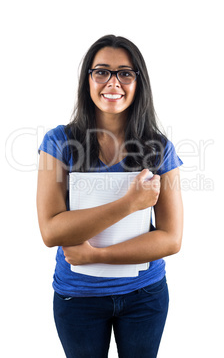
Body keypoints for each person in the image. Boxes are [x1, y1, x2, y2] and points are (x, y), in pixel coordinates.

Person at [36, 34, 184, 358]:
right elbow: (51, 231)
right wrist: (129, 204)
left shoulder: (159, 148)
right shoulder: (59, 142)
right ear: (87, 79)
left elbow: (171, 239)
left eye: (125, 73)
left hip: (145, 297)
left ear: (138, 82)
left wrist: (95, 256)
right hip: (78, 299)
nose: (112, 82)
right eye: (102, 71)